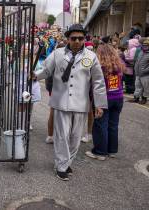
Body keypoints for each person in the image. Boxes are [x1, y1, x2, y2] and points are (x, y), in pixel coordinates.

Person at [34, 24, 108, 181]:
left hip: (81, 104)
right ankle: (61, 166)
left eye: (80, 38)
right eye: (73, 38)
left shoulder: (91, 56)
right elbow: (46, 70)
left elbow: (98, 82)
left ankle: (66, 162)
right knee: (61, 136)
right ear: (68, 38)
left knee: (75, 138)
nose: (77, 41)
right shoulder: (57, 53)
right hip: (61, 101)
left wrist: (99, 104)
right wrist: (34, 76)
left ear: (84, 39)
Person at [85, 44, 125, 161]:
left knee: (100, 124)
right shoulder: (119, 65)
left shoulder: (100, 67)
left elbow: (95, 84)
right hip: (118, 97)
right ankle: (112, 150)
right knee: (113, 125)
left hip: (104, 98)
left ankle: (100, 152)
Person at [133, 37, 149, 104]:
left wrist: (145, 70)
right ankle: (136, 98)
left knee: (145, 87)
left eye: (147, 46)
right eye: (144, 45)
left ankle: (144, 99)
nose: (145, 47)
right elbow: (137, 61)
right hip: (138, 73)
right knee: (137, 86)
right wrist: (135, 68)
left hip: (145, 74)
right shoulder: (141, 52)